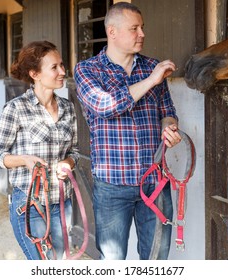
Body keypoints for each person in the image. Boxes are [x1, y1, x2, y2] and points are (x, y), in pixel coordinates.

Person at [74, 2, 182, 260]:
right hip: (112, 184)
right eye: (134, 28)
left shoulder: (150, 65)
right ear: (112, 32)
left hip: (154, 181)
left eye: (142, 27)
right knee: (112, 262)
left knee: (156, 259)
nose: (142, 34)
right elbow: (105, 106)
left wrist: (169, 127)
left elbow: (167, 110)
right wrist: (152, 80)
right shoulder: (87, 70)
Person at [0, 41, 80, 260]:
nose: (63, 72)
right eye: (54, 67)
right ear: (35, 74)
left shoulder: (68, 108)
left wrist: (68, 162)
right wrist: (24, 160)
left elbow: (75, 150)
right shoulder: (16, 108)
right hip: (30, 205)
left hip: (62, 202)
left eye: (62, 65)